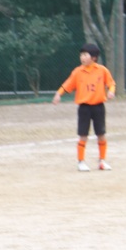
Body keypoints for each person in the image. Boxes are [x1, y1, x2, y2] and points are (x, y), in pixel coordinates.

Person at [52, 43, 116, 171]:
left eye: (85, 55)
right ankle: (81, 162)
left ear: (94, 57)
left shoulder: (102, 70)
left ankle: (102, 161)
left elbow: (111, 83)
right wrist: (59, 94)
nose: (82, 57)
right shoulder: (78, 72)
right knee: (83, 135)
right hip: (84, 108)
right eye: (81, 55)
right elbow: (68, 84)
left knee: (101, 134)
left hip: (98, 107)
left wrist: (111, 91)